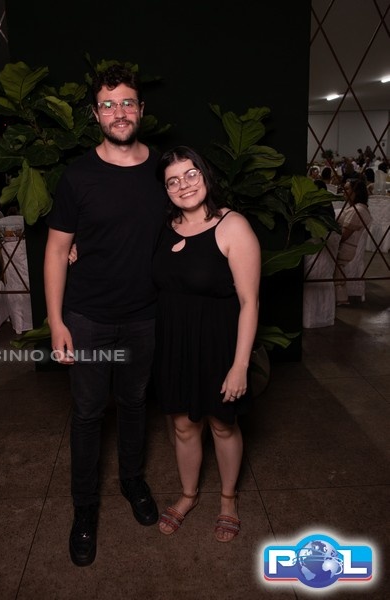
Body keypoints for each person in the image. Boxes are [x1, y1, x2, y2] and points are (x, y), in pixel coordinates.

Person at [43, 64, 167, 567]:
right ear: (95, 115)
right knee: (89, 413)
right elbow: (57, 251)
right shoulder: (78, 176)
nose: (119, 112)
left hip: (145, 315)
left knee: (135, 404)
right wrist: (56, 321)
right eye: (109, 104)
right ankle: (85, 509)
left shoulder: (163, 170)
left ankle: (133, 481)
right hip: (88, 318)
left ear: (141, 109)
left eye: (128, 102)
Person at [152, 146, 261, 542]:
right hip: (174, 344)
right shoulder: (163, 227)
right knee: (183, 425)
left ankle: (228, 499)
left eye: (191, 174)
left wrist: (240, 365)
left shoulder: (233, 226)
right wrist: (78, 248)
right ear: (166, 190)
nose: (184, 185)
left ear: (205, 175)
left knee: (222, 424)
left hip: (218, 344)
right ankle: (189, 494)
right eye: (173, 181)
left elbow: (249, 302)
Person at [334, 179, 372, 305]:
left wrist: (329, 241)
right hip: (347, 245)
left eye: (347, 188)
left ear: (356, 192)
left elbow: (344, 236)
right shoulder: (358, 208)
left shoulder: (357, 210)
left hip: (346, 248)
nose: (343, 191)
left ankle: (338, 297)